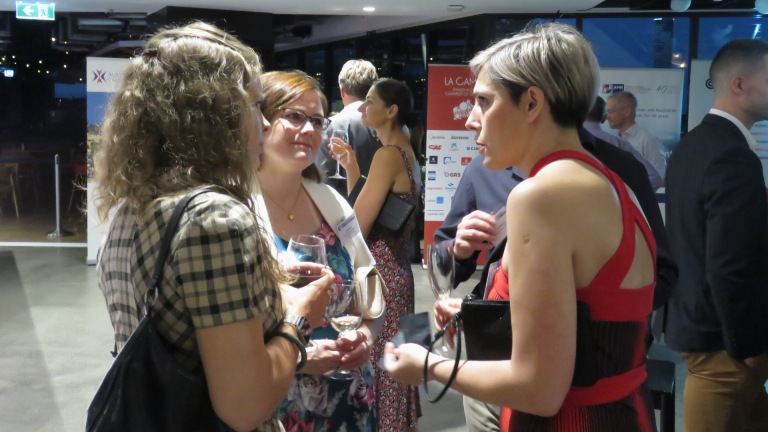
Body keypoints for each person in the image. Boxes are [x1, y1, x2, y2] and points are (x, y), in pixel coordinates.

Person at [384, 23, 658, 431]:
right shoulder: (613, 185)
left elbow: (539, 388)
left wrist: (428, 365)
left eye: (484, 101)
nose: (470, 120)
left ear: (532, 103)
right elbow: (595, 323)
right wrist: (485, 314)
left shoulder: (539, 196)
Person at [93, 22, 333, 432]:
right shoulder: (215, 218)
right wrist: (298, 318)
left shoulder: (130, 208)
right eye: (254, 106)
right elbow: (244, 406)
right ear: (213, 117)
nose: (264, 125)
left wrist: (266, 284)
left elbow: (178, 326)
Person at [254, 70, 382, 431]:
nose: (308, 129)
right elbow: (226, 334)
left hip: (350, 399)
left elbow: (371, 285)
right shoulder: (236, 209)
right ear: (262, 122)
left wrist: (365, 337)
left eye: (317, 121)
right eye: (295, 116)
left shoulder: (330, 202)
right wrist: (301, 357)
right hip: (275, 404)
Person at [665, 39, 768, 432]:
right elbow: (729, 263)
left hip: (700, 326)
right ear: (739, 84)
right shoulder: (731, 155)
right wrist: (748, 344)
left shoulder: (692, 145)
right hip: (724, 346)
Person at [333, 77, 422, 431]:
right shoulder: (405, 152)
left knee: (379, 376)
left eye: (370, 101)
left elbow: (358, 224)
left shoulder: (388, 155)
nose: (363, 107)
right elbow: (375, 210)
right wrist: (352, 167)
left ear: (392, 110)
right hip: (399, 277)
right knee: (395, 373)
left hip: (379, 280)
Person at [316, 59, 382, 197]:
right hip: (386, 207)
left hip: (343, 206)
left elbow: (322, 178)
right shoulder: (391, 124)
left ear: (342, 91)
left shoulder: (331, 125)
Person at [584, 96, 664, 191]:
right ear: (603, 116)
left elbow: (656, 178)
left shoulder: (646, 139)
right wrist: (625, 195)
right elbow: (654, 178)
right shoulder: (617, 143)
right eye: (608, 112)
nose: (609, 117)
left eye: (611, 112)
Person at [606, 91, 667, 178]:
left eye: (611, 112)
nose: (607, 117)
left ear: (627, 112)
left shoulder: (648, 140)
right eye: (607, 112)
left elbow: (660, 176)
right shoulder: (613, 139)